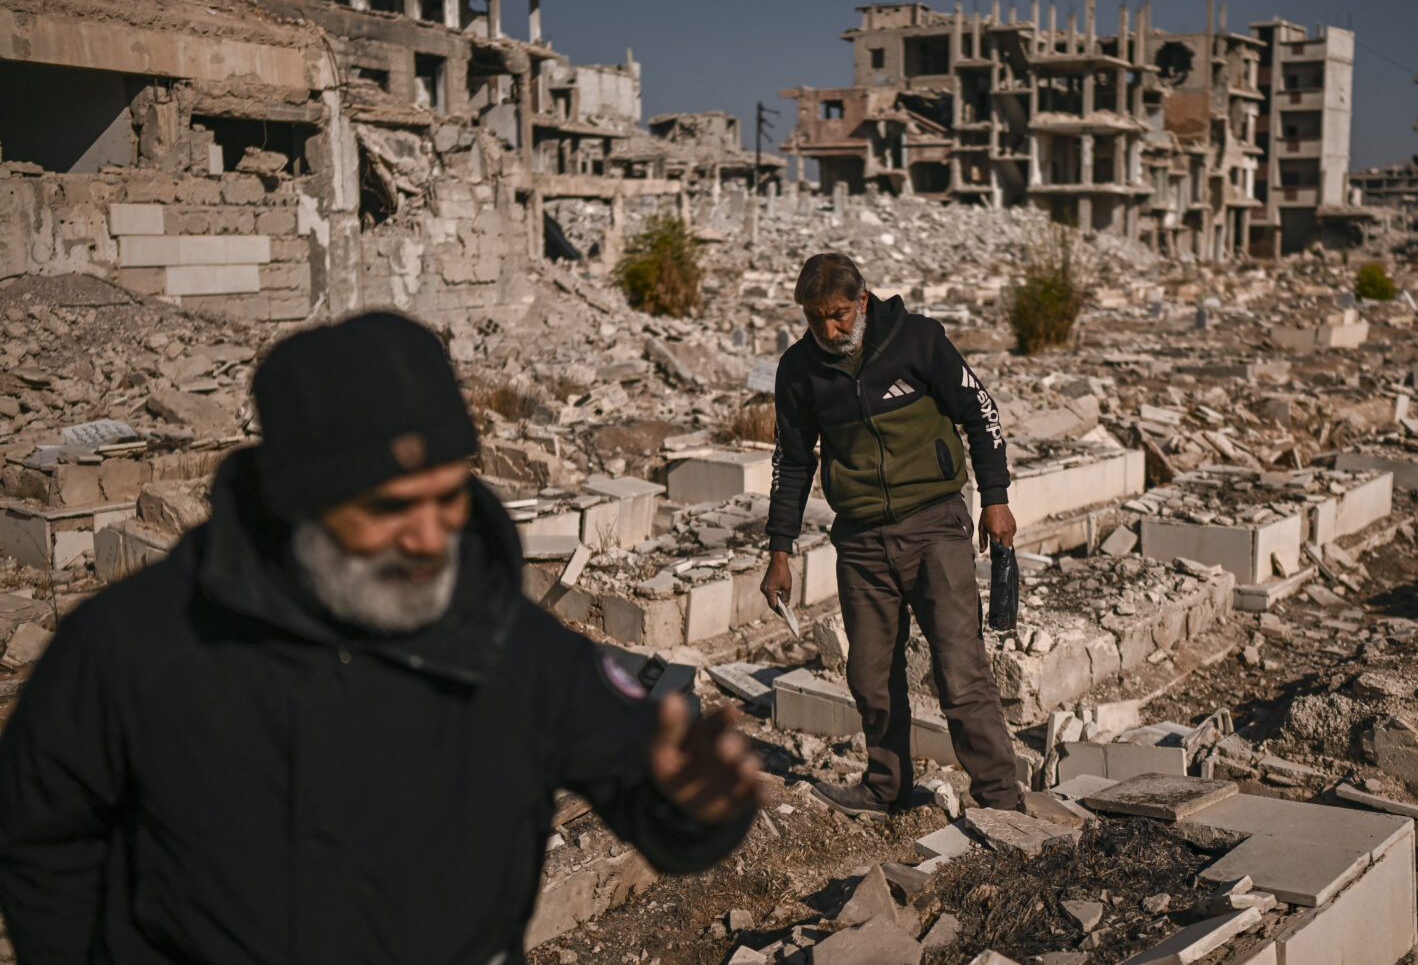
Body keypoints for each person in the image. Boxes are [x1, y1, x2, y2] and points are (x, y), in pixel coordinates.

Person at [0, 312, 760, 963]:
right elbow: (43, 838)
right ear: (301, 498)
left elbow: (644, 788)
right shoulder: (135, 644)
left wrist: (695, 805)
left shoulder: (510, 641)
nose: (432, 537)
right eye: (393, 506)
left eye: (448, 495)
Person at [761, 253, 1021, 817]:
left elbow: (981, 412)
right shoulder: (799, 370)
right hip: (859, 540)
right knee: (870, 673)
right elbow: (793, 461)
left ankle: (1001, 801)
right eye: (814, 319)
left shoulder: (919, 341)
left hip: (935, 527)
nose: (828, 330)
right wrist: (779, 550)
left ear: (862, 300)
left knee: (959, 669)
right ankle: (886, 788)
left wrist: (995, 498)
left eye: (837, 315)